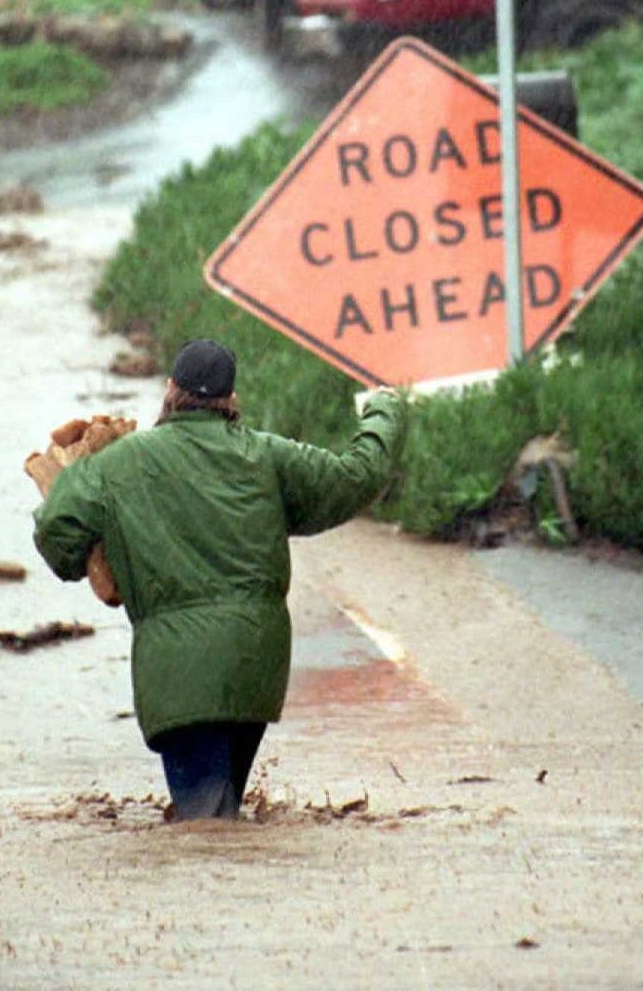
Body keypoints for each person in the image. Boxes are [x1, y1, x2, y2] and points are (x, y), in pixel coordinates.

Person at [31, 338, 408, 822]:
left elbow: (56, 536)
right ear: (231, 400)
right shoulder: (267, 457)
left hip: (178, 675)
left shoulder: (118, 464)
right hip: (256, 671)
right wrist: (385, 410)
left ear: (169, 390)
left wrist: (91, 553)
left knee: (205, 827)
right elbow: (357, 476)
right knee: (221, 814)